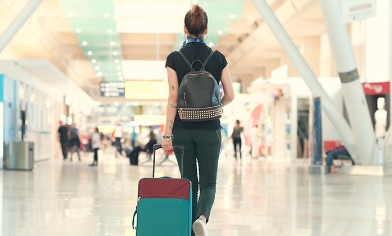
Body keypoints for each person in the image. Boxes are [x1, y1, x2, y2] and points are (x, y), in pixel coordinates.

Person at [162, 5, 235, 236]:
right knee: (208, 183)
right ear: (206, 30)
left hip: (182, 130)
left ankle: (190, 231)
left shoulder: (174, 58)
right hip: (210, 131)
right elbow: (230, 95)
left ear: (185, 29)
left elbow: (173, 96)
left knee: (189, 184)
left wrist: (167, 133)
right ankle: (202, 218)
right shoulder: (218, 58)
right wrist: (214, 109)